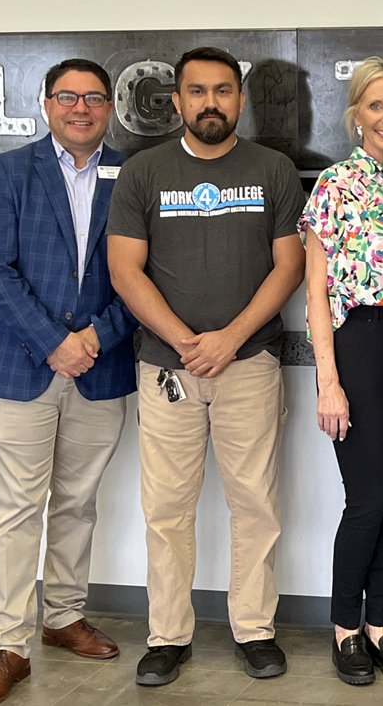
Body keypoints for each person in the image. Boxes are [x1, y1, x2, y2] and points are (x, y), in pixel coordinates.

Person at [106, 46, 306, 687]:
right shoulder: (144, 172)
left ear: (239, 100)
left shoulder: (273, 169)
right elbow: (124, 271)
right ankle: (167, 636)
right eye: (197, 91)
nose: (210, 102)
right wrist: (188, 341)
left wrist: (230, 339)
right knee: (166, 507)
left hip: (250, 363)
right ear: (177, 100)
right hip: (168, 367)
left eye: (223, 90)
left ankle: (254, 629)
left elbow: (289, 266)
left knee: (255, 504)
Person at [0, 58, 137, 706]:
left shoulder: (134, 174)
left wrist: (95, 337)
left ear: (109, 108)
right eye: (67, 96)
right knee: (13, 510)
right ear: (45, 104)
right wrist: (55, 343)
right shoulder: (8, 172)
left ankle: (63, 616)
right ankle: (7, 644)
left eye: (94, 97)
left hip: (101, 365)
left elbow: (144, 276)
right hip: (22, 367)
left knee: (77, 503)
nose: (81, 107)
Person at [299, 57, 383, 686]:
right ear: (356, 114)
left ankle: (380, 625)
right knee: (368, 496)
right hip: (360, 343)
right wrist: (328, 379)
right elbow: (316, 293)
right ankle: (345, 629)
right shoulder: (333, 186)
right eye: (375, 106)